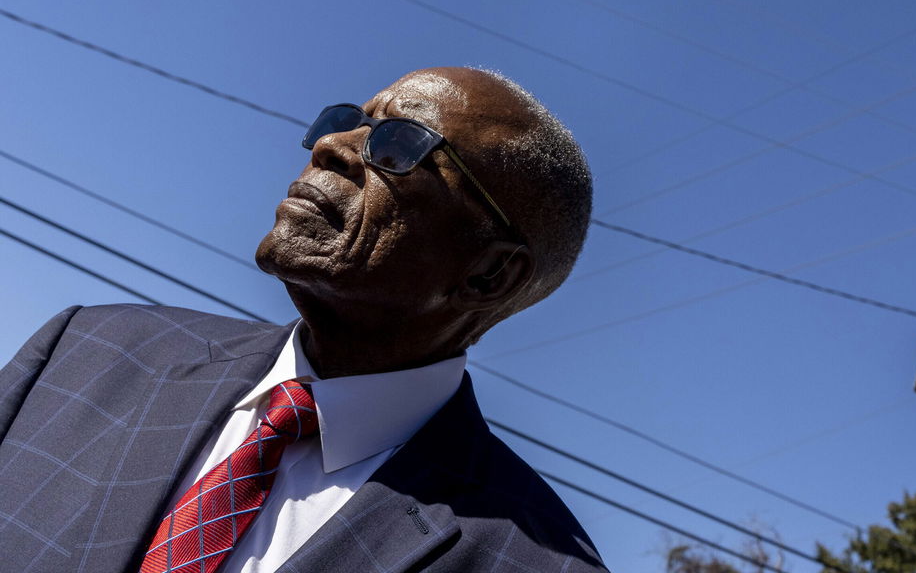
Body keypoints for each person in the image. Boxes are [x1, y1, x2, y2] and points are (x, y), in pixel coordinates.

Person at [0, 67, 607, 572]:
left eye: (397, 144)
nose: (331, 146)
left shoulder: (532, 558)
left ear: (489, 275)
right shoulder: (87, 350)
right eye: (346, 122)